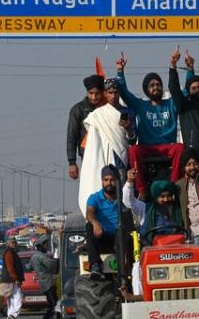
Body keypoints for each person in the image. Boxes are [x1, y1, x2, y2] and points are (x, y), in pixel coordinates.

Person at [116, 53, 184, 199]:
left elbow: (184, 92)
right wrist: (120, 72)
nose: (156, 87)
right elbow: (125, 93)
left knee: (180, 148)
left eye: (158, 84)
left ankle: (173, 185)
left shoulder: (171, 104)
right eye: (152, 85)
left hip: (168, 147)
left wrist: (188, 70)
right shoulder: (141, 105)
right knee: (133, 150)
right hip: (148, 148)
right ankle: (142, 190)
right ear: (147, 90)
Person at [77, 78, 133, 212]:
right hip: (103, 156)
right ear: (105, 94)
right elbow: (93, 140)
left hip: (121, 157)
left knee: (121, 191)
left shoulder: (129, 113)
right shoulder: (97, 115)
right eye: (110, 92)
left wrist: (128, 129)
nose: (113, 96)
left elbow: (133, 140)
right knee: (105, 188)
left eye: (116, 92)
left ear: (119, 93)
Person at [169, 50, 199, 159]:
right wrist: (173, 65)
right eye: (194, 88)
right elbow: (174, 88)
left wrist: (190, 68)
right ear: (189, 91)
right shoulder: (184, 106)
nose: (197, 90)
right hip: (193, 156)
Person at [175, 149, 199, 262]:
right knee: (197, 257)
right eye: (188, 165)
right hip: (193, 228)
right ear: (184, 167)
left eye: (194, 164)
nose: (192, 167)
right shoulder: (179, 186)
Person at [67, 74, 105, 180]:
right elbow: (72, 137)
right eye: (91, 93)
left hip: (106, 155)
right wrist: (72, 162)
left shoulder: (108, 108)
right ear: (86, 92)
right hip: (88, 155)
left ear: (102, 92)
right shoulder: (77, 110)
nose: (94, 97)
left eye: (97, 93)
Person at [85, 166, 120, 277]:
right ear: (102, 181)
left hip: (120, 238)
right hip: (103, 239)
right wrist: (95, 223)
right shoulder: (95, 198)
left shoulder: (122, 197)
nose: (109, 183)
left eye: (112, 180)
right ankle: (95, 264)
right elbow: (90, 213)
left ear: (116, 181)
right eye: (106, 180)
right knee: (89, 226)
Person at [30, 236, 59, 319]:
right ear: (41, 245)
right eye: (45, 244)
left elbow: (29, 267)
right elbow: (51, 266)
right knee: (54, 307)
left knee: (53, 307)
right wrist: (57, 259)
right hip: (48, 283)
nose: (47, 246)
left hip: (44, 283)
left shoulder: (34, 256)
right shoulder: (40, 256)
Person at [0, 237, 26, 319]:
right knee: (18, 297)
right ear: (8, 243)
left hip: (9, 279)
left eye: (15, 242)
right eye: (12, 242)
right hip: (11, 279)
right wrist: (16, 279)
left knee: (11, 299)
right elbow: (10, 268)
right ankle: (13, 315)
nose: (14, 244)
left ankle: (10, 318)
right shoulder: (9, 253)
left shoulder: (11, 252)